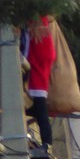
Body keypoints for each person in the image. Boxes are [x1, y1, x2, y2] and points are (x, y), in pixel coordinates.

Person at [21, 16, 55, 148]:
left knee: (40, 107)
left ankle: (47, 142)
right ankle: (47, 142)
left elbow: (29, 47)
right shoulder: (42, 23)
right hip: (39, 65)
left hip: (36, 64)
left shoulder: (36, 23)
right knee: (40, 106)